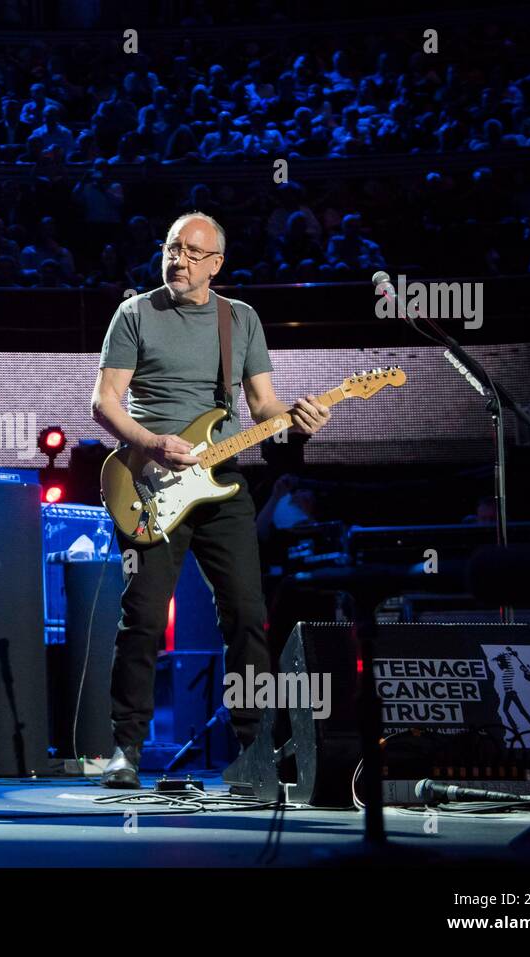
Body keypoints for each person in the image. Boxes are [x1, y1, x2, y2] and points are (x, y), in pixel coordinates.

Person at [91, 211, 331, 788]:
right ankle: (126, 748)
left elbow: (262, 405)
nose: (179, 260)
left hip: (222, 485)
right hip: (149, 485)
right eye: (173, 248)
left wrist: (298, 421)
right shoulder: (135, 312)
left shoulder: (239, 319)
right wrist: (152, 444)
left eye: (193, 253)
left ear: (216, 264)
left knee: (249, 616)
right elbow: (104, 402)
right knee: (144, 618)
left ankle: (253, 750)